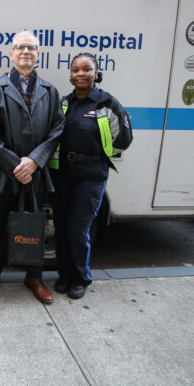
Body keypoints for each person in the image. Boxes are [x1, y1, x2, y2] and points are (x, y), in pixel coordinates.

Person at [0, 30, 65, 304]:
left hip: (37, 173)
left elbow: (57, 129)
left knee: (36, 226)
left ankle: (34, 276)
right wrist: (17, 164)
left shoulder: (51, 92)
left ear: (38, 54)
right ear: (11, 53)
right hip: (5, 174)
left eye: (31, 48)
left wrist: (34, 160)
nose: (26, 52)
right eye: (20, 47)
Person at [53, 52, 132, 300]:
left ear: (96, 73)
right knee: (62, 228)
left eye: (86, 69)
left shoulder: (107, 103)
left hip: (90, 175)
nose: (80, 74)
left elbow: (124, 140)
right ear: (70, 74)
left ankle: (80, 278)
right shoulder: (64, 103)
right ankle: (64, 275)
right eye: (76, 70)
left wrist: (99, 153)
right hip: (62, 172)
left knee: (79, 230)